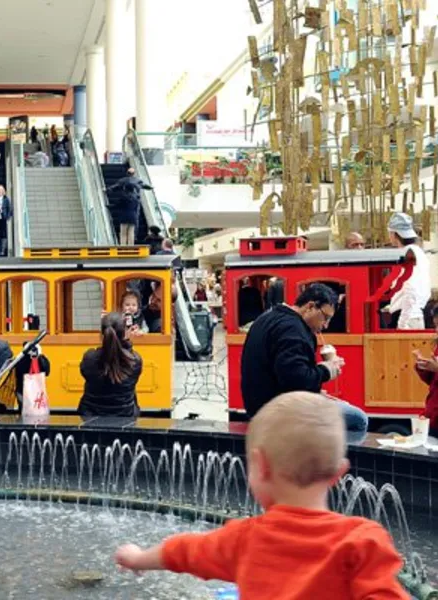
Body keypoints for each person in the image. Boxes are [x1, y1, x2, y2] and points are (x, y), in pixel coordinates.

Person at [114, 392, 408, 600]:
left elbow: (182, 552)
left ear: (261, 466)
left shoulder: (244, 540)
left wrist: (138, 558)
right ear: (338, 473)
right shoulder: (364, 542)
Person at [241, 283, 368, 432]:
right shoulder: (292, 329)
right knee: (358, 419)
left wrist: (315, 392)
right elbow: (296, 380)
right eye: (325, 317)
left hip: (259, 405)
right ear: (310, 307)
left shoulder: (269, 317)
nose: (326, 325)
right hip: (277, 411)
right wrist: (327, 370)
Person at [78, 312, 143, 417]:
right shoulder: (135, 361)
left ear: (102, 335)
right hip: (125, 415)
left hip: (90, 416)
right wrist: (127, 344)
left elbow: (85, 371)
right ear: (125, 334)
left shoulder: (89, 358)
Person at [385, 212, 431, 330]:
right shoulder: (419, 253)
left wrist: (402, 322)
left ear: (394, 234)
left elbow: (410, 289)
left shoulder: (406, 255)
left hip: (407, 315)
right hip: (415, 312)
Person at [107, 167, 153, 246]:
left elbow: (115, 188)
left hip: (124, 216)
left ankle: (123, 247)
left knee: (123, 232)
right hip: (133, 215)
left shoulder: (123, 183)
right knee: (131, 231)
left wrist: (109, 205)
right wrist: (151, 187)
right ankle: (131, 246)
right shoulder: (137, 182)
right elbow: (145, 186)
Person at [413, 303, 438, 435]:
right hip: (433, 416)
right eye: (436, 326)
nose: (437, 330)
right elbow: (433, 382)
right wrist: (423, 367)